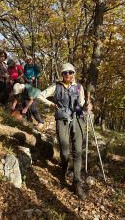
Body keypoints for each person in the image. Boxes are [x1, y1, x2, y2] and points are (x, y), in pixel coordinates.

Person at [39, 63, 92, 200]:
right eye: (65, 73)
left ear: (74, 73)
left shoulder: (79, 87)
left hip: (78, 119)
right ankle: (64, 167)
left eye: (70, 72)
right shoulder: (56, 86)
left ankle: (76, 181)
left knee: (78, 151)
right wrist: (51, 104)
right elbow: (40, 95)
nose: (67, 75)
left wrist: (87, 106)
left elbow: (82, 104)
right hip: (62, 119)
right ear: (62, 75)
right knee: (64, 150)